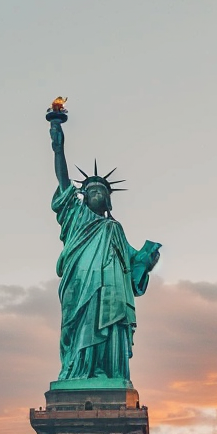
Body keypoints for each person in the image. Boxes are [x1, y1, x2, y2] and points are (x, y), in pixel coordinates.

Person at [48, 118, 161, 381]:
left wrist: (147, 261)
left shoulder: (114, 228)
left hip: (112, 287)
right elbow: (64, 181)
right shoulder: (75, 216)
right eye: (91, 190)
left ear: (108, 199)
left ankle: (108, 372)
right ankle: (80, 370)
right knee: (82, 326)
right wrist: (58, 146)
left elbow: (132, 262)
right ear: (83, 196)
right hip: (80, 283)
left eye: (101, 191)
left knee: (110, 327)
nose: (96, 194)